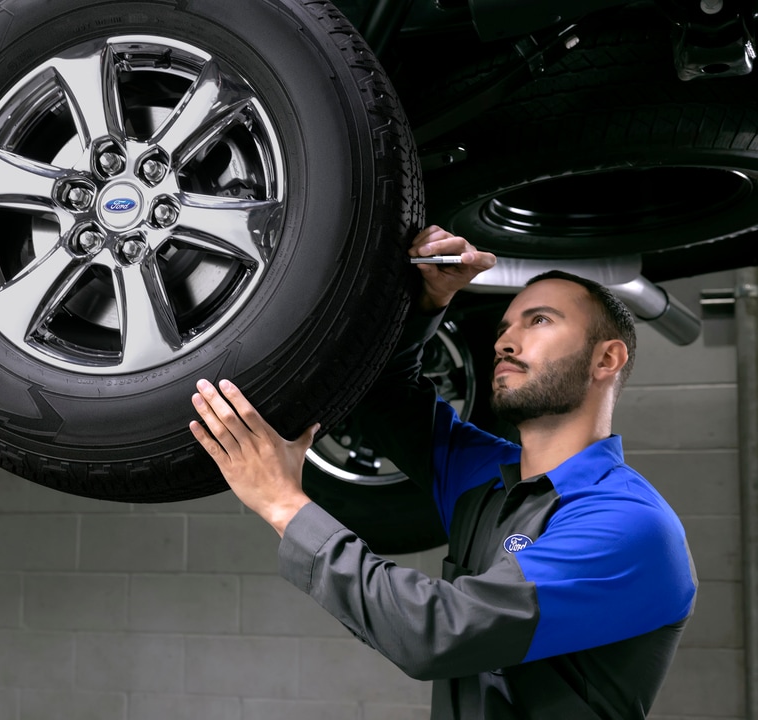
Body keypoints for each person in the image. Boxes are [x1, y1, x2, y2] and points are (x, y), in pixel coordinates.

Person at [189, 225, 697, 719]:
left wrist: (283, 503)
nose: (504, 343)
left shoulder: (630, 525)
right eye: (504, 329)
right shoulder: (487, 476)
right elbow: (385, 400)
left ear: (606, 358)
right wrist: (430, 300)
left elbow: (436, 634)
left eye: (539, 321)